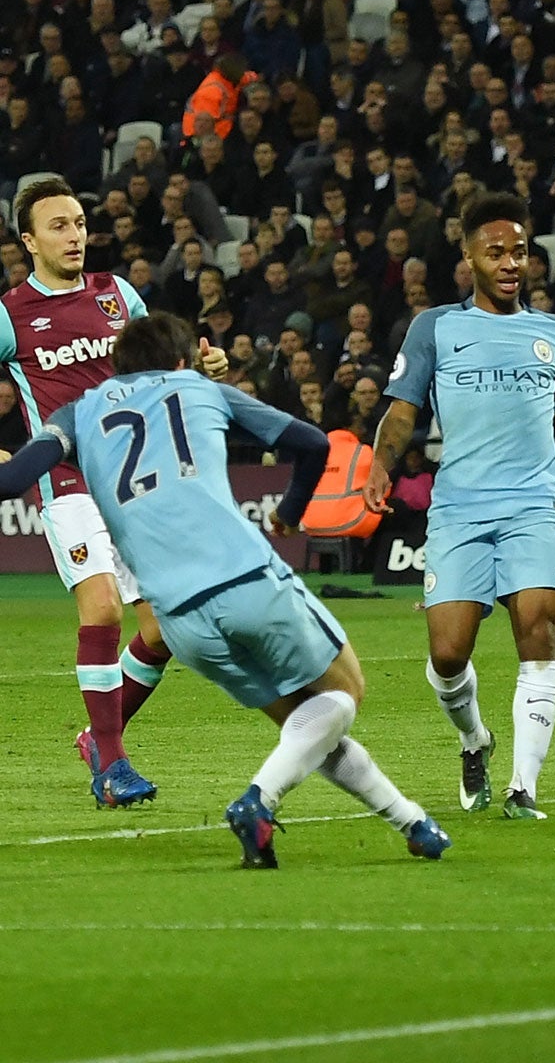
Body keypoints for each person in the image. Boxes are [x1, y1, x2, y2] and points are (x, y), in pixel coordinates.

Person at [0, 312, 448, 867]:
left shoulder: (78, 413)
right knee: (344, 692)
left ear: (117, 365)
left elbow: (12, 480)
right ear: (183, 360)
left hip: (179, 622)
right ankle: (258, 800)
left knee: (303, 726)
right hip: (245, 581)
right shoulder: (198, 388)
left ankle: (412, 822)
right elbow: (311, 444)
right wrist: (287, 512)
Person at [364, 193, 555, 820]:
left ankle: (522, 787)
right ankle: (474, 740)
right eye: (497, 252)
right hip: (458, 508)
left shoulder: (553, 333)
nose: (512, 263)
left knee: (539, 628)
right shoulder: (435, 327)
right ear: (469, 258)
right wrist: (380, 461)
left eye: (521, 252)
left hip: (535, 504)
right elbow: (403, 412)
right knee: (448, 653)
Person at [0, 177, 230, 805]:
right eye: (58, 226)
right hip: (68, 481)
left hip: (134, 481)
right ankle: (113, 767)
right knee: (101, 610)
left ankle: (99, 737)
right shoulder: (10, 313)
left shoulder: (116, 294)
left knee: (166, 630)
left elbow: (161, 365)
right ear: (28, 241)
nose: (74, 235)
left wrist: (203, 366)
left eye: (78, 223)